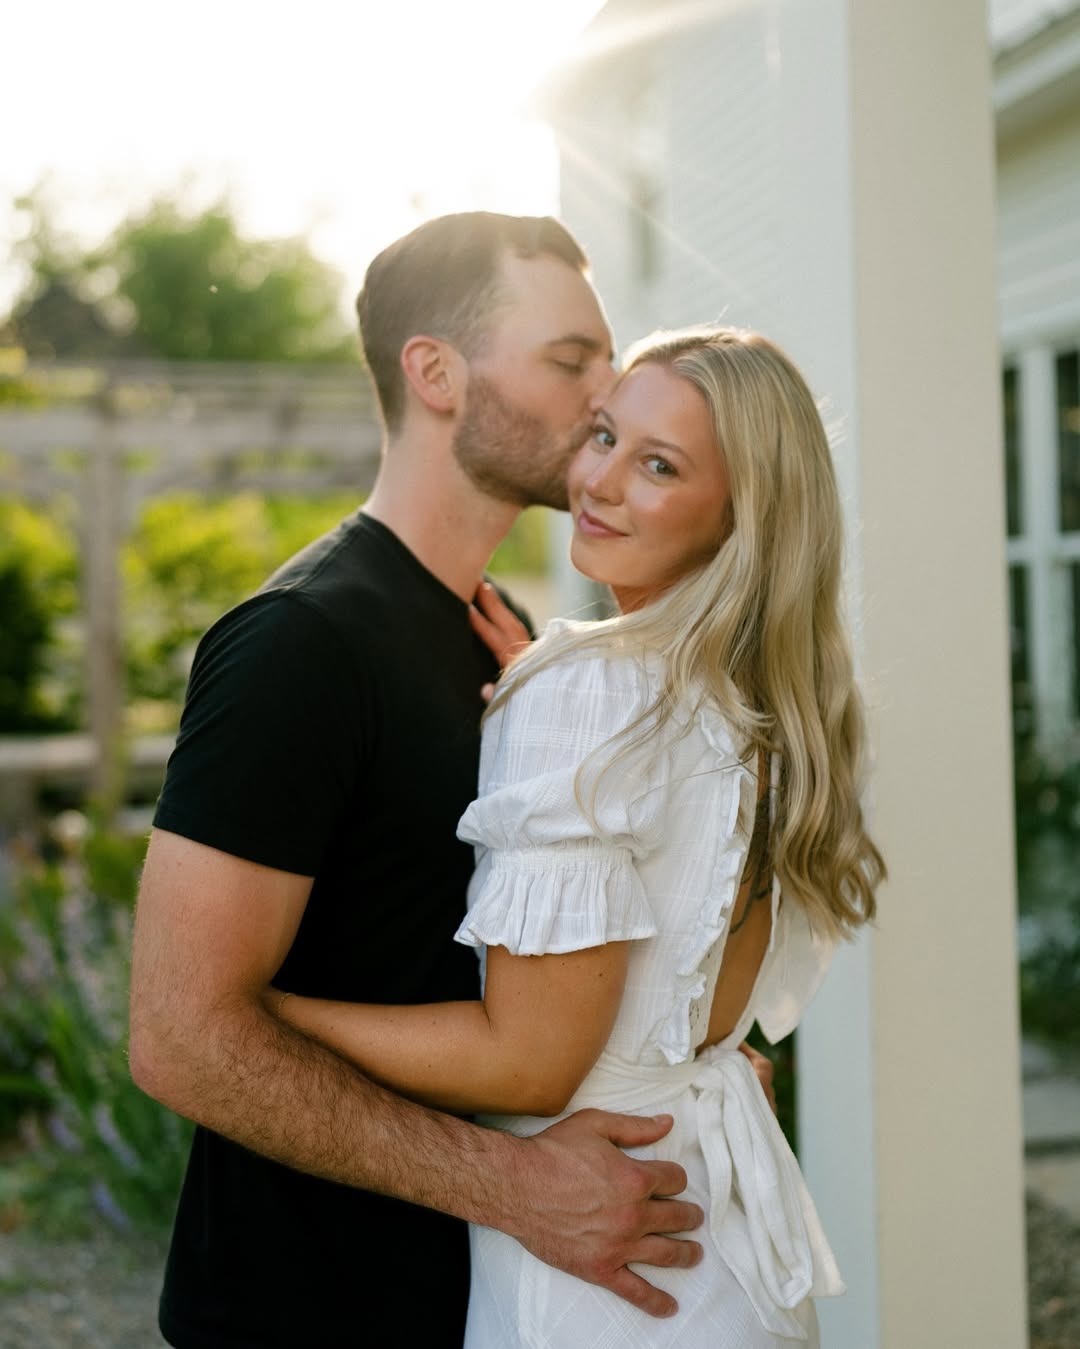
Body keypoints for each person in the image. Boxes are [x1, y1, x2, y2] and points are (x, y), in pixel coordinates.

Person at [128, 213, 713, 1349]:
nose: (607, 393)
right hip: (302, 1311)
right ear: (436, 374)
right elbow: (180, 1037)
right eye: (570, 360)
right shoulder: (298, 644)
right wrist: (517, 1185)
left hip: (491, 1300)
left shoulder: (510, 639)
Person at [267, 325, 887, 1346]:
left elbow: (527, 1066)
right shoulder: (779, 700)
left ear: (742, 513)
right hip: (718, 1251)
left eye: (659, 465)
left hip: (609, 1280)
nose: (598, 481)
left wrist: (271, 1012)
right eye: (604, 435)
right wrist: (548, 691)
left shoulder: (591, 691)